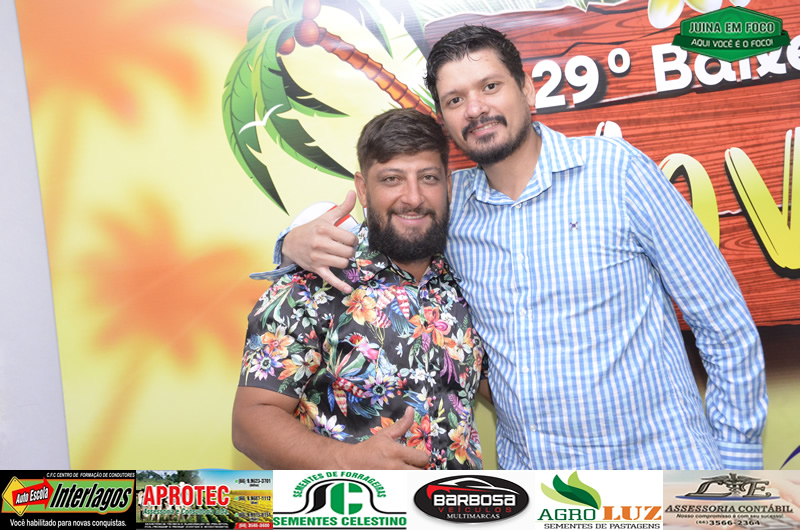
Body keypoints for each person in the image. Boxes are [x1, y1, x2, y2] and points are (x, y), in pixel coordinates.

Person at [272, 25, 768, 470]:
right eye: (455, 99)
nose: (476, 109)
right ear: (444, 118)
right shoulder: (449, 208)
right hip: (538, 492)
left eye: (490, 86)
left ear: (527, 89)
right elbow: (376, 233)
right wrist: (292, 241)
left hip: (663, 472)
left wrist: (735, 481)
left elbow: (724, 325)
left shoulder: (616, 173)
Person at [233, 108, 487, 470]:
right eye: (392, 179)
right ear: (363, 190)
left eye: (428, 178)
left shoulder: (469, 279)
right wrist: (349, 461)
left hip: (459, 501)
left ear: (447, 185)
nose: (413, 197)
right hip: (351, 502)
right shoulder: (315, 281)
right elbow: (250, 422)